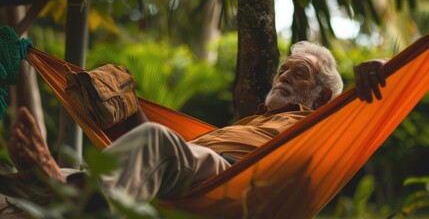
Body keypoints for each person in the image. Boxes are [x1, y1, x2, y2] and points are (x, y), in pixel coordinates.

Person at [4, 41, 387, 205]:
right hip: (190, 169)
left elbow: (371, 110)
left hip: (235, 183)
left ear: (320, 98)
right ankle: (46, 188)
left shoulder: (316, 125)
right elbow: (174, 160)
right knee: (54, 180)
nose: (283, 77)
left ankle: (62, 190)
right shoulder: (249, 123)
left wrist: (382, 69)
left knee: (157, 140)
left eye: (298, 74)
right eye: (282, 70)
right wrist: (130, 109)